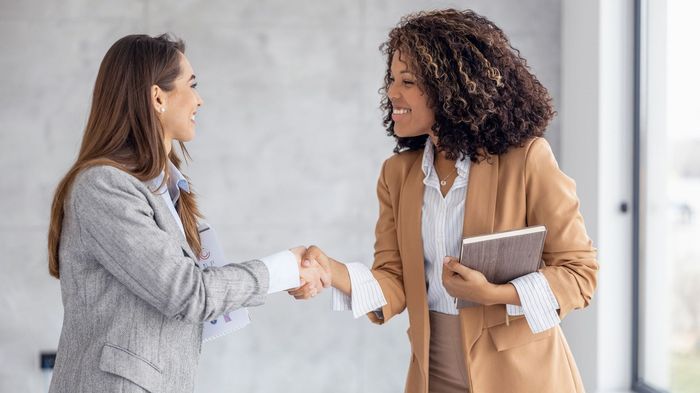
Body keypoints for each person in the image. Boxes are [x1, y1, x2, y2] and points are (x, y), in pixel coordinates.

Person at [289, 9, 598, 393]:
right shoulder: (397, 174)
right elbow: (395, 282)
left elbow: (579, 272)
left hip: (523, 377)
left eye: (408, 81)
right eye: (391, 79)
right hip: (432, 371)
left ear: (450, 88)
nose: (391, 92)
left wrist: (494, 295)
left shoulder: (526, 160)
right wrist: (328, 270)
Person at [46, 34, 327, 393]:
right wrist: (288, 267)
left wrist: (290, 273)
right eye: (191, 86)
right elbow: (185, 292)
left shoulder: (167, 189)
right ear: (157, 97)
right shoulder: (103, 187)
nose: (199, 100)